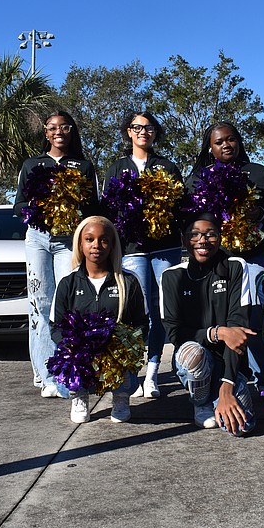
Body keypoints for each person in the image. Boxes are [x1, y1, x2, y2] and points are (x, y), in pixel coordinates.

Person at [185, 122, 264, 386]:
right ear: (210, 147)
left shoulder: (258, 173)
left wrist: (260, 212)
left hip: (255, 256)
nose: (226, 145)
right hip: (217, 260)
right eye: (219, 142)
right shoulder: (198, 178)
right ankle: (226, 375)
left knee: (256, 313)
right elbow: (188, 218)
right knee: (221, 316)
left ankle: (263, 375)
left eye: (231, 139)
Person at [13, 111, 99, 399]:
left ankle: (67, 369)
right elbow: (19, 205)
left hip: (68, 241)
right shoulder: (32, 164)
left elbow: (92, 208)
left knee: (66, 304)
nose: (58, 131)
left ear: (72, 131)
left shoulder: (83, 166)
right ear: (46, 133)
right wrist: (40, 208)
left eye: (64, 127)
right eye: (52, 127)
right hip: (38, 238)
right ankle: (45, 374)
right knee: (39, 303)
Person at [102, 111, 183, 399]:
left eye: (148, 128)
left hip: (165, 247)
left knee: (162, 309)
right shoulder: (117, 168)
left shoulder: (167, 167)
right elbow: (108, 210)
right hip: (132, 249)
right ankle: (133, 372)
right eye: (137, 127)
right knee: (139, 310)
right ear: (128, 131)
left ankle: (153, 373)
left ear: (155, 133)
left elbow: (180, 204)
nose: (143, 132)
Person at [160, 212, 256, 435]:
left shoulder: (235, 267)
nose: (202, 240)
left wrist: (227, 385)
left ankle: (221, 391)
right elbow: (175, 333)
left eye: (210, 234)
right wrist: (217, 333)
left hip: (229, 363)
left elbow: (238, 333)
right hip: (195, 360)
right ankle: (200, 401)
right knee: (193, 352)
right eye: (194, 234)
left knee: (242, 427)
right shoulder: (171, 277)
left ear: (220, 237)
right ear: (184, 240)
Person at [51, 216, 148, 424]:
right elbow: (55, 326)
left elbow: (142, 323)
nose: (96, 245)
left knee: (125, 362)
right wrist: (72, 346)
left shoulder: (128, 281)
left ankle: (121, 396)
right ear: (80, 244)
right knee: (68, 366)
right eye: (89, 239)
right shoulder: (68, 283)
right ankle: (79, 395)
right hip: (83, 357)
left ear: (112, 245)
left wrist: (125, 345)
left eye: (104, 240)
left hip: (114, 358)